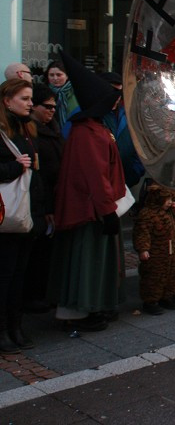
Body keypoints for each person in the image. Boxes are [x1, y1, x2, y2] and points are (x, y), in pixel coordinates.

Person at [47, 52, 127, 332]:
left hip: (95, 208)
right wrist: (107, 211)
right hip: (90, 211)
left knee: (92, 260)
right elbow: (95, 176)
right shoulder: (88, 133)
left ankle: (93, 308)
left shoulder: (93, 129)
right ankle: (83, 310)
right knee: (87, 262)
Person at [0, 79, 46, 351]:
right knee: (5, 275)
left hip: (27, 213)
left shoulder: (28, 129)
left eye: (30, 99)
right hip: (7, 216)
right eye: (25, 98)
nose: (30, 103)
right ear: (7, 101)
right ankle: (3, 330)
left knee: (19, 275)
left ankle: (15, 327)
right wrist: (14, 168)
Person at [22, 84, 63, 314]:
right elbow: (40, 173)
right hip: (39, 201)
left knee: (47, 251)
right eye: (46, 107)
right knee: (37, 253)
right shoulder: (32, 132)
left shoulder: (53, 130)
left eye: (54, 107)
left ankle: (43, 292)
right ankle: (33, 295)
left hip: (53, 198)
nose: (52, 111)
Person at [133, 181, 175, 315]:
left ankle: (167, 296)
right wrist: (143, 249)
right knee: (154, 278)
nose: (169, 202)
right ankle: (150, 300)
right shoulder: (147, 214)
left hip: (172, 252)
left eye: (171, 199)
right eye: (166, 199)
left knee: (171, 275)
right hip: (157, 253)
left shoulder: (170, 212)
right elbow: (142, 233)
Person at [46, 60, 80, 138]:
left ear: (67, 76)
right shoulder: (44, 93)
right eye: (51, 75)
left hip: (74, 133)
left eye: (59, 75)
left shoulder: (76, 92)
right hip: (52, 134)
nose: (55, 78)